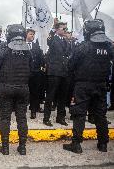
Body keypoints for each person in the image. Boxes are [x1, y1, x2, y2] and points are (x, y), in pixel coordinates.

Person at [63, 19, 113, 153]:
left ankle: (76, 144)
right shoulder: (109, 47)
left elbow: (70, 65)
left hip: (83, 85)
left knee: (79, 114)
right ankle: (103, 144)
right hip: (101, 85)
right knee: (100, 115)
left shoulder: (83, 46)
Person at [0, 24, 31, 155]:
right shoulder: (28, 50)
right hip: (23, 87)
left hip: (6, 87)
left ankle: (5, 148)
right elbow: (31, 69)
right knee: (22, 118)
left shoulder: (4, 49)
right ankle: (22, 147)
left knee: (5, 118)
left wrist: (2, 80)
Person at [43, 22, 70, 126]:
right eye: (63, 28)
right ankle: (46, 118)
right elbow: (49, 40)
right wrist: (53, 27)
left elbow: (67, 54)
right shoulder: (53, 39)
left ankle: (60, 117)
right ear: (57, 29)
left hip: (64, 72)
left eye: (66, 28)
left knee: (62, 97)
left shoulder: (66, 40)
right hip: (54, 72)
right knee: (50, 96)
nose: (65, 30)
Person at [26, 28, 45, 119]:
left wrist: (41, 69)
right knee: (24, 92)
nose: (32, 36)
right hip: (25, 73)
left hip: (36, 73)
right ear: (26, 35)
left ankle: (33, 110)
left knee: (35, 93)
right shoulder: (21, 45)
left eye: (33, 34)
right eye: (30, 34)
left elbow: (41, 58)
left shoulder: (36, 46)